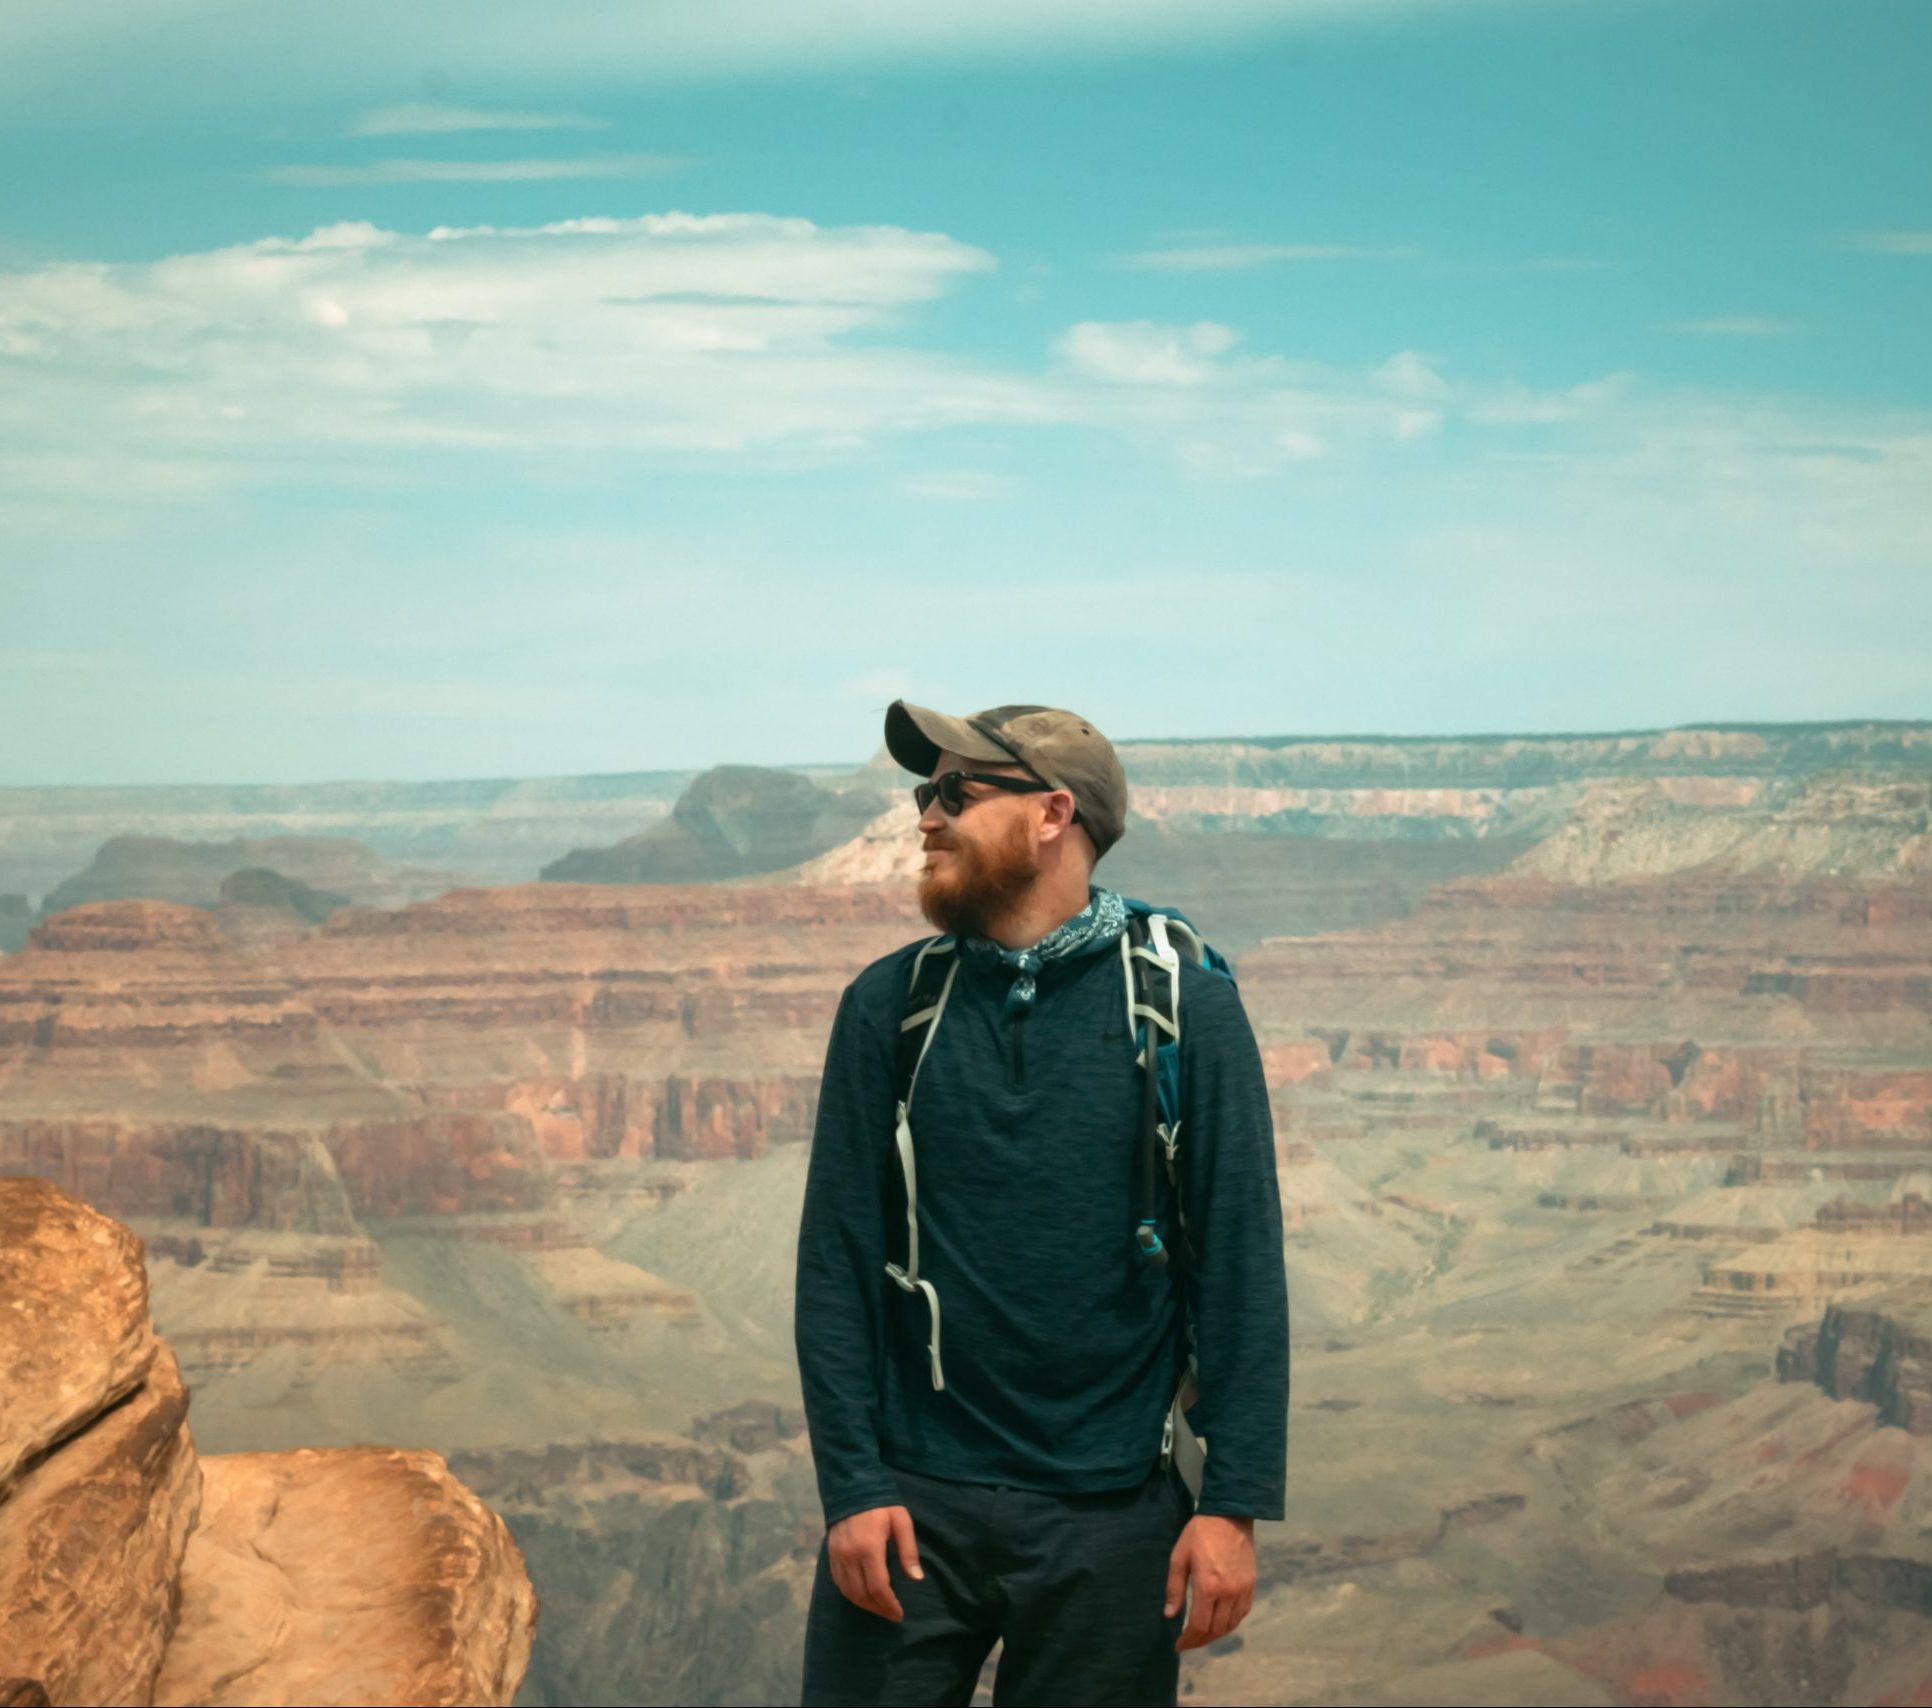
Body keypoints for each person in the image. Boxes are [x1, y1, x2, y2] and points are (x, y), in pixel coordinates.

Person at [793, 699, 1289, 1707]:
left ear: (1053, 813)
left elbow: (1241, 1259)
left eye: (954, 792)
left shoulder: (1188, 1009)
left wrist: (1232, 1504)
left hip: (1112, 1517)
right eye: (925, 792)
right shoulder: (888, 1008)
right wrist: (853, 1484)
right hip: (910, 1508)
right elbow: (835, 1262)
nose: (924, 815)